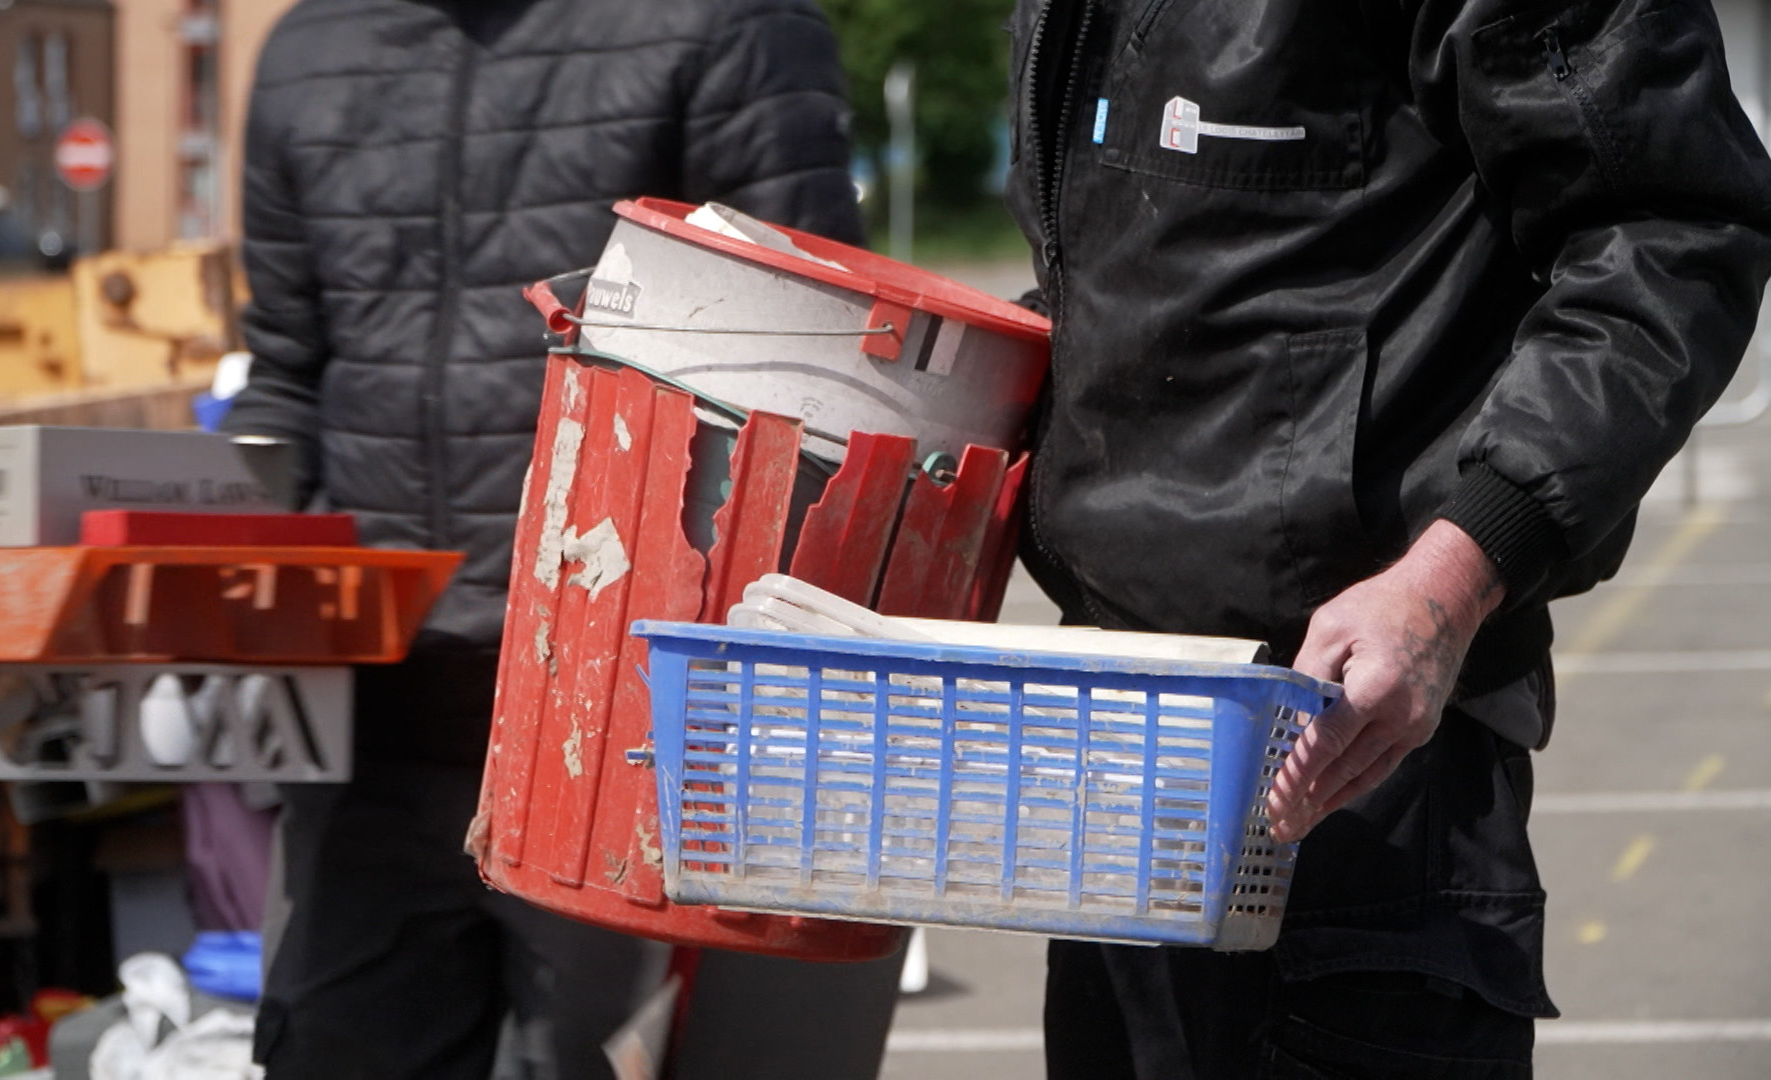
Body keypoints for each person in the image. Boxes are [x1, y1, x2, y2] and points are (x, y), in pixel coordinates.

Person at [1004, 0, 1771, 1074]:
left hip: (1362, 739)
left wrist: (1453, 577)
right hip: (1127, 745)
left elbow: (1672, 230)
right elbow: (1177, 268)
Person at [224, 2, 879, 1077]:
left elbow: (813, 378)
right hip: (371, 728)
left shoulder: (724, 24)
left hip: (625, 735)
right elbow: (289, 371)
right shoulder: (313, 47)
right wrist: (222, 565)